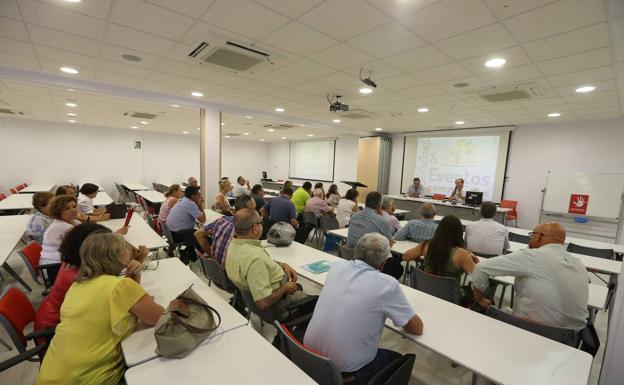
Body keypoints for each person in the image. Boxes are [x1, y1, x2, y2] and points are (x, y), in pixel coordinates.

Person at [36, 232, 164, 385]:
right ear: (116, 255)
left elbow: (128, 301)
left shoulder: (77, 285)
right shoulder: (119, 286)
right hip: (90, 378)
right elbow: (158, 317)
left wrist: (134, 275)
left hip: (52, 375)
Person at [304, 234, 423, 385]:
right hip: (345, 372)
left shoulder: (336, 267)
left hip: (308, 355)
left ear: (356, 252)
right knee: (400, 360)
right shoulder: (387, 284)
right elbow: (416, 328)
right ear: (383, 263)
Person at [471, 223, 589, 330]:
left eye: (532, 235)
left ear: (538, 237)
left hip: (533, 330)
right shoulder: (579, 263)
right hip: (571, 338)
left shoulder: (532, 256)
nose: (530, 239)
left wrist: (480, 299)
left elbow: (481, 268)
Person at [35, 222, 141, 331]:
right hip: (54, 328)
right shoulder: (81, 276)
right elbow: (126, 302)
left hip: (53, 319)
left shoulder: (76, 262)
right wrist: (136, 265)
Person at [225, 209, 315, 321]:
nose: (263, 226)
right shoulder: (255, 259)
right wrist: (285, 287)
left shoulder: (234, 245)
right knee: (317, 302)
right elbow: (263, 302)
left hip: (260, 296)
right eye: (261, 223)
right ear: (255, 228)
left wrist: (282, 265)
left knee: (299, 288)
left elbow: (262, 265)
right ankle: (288, 336)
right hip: (280, 306)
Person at [403, 215, 480, 306]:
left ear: (439, 230)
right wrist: (475, 260)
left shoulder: (426, 245)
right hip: (450, 298)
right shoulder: (461, 254)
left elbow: (405, 257)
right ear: (459, 233)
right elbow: (478, 276)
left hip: (426, 291)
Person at [195, 195, 256, 267]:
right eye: (253, 210)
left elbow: (198, 234)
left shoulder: (222, 220)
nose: (256, 212)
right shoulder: (245, 229)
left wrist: (211, 254)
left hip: (216, 269)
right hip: (229, 273)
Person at [166, 185, 206, 264]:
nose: (200, 196)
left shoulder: (182, 200)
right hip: (179, 234)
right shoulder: (191, 204)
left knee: (196, 232)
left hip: (171, 232)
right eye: (198, 194)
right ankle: (198, 256)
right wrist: (200, 204)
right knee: (203, 236)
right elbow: (203, 220)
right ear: (193, 196)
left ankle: (189, 252)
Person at [39, 195, 81, 266]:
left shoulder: (75, 222)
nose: (73, 210)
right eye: (67, 209)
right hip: (53, 266)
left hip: (63, 261)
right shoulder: (62, 226)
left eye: (74, 207)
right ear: (58, 212)